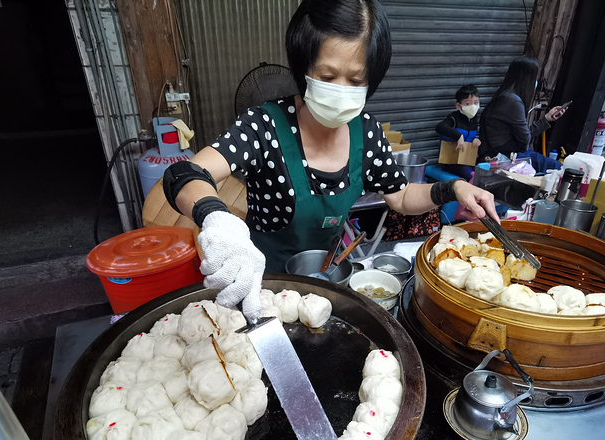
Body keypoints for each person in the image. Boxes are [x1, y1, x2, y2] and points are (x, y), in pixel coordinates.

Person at [162, 0, 499, 320]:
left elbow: (400, 196)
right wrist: (215, 217)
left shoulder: (366, 132)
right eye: (326, 76)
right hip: (258, 287)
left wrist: (452, 188)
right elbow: (184, 173)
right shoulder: (263, 125)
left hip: (325, 289)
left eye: (355, 81)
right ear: (304, 66)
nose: (341, 90)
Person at [478, 56, 564, 173]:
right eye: (535, 77)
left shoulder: (505, 96)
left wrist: (546, 119)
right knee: (558, 168)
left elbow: (523, 135)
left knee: (553, 166)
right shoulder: (513, 101)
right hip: (506, 157)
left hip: (507, 153)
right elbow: (524, 141)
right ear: (528, 79)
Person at [435, 84, 481, 179]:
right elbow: (440, 127)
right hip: (450, 162)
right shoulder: (454, 118)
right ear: (458, 106)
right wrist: (458, 136)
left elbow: (471, 136)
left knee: (481, 173)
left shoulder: (474, 120)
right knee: (471, 176)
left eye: (476, 103)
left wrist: (476, 140)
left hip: (467, 159)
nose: (473, 107)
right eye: (468, 104)